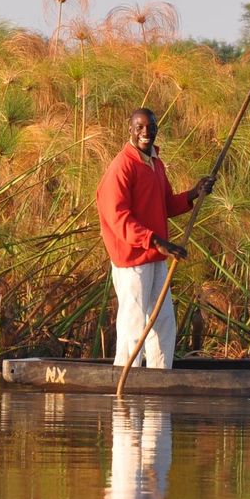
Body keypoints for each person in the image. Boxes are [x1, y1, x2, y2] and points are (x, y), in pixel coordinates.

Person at [95, 107, 212, 369]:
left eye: (150, 127)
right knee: (133, 324)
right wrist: (157, 241)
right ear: (130, 130)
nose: (145, 132)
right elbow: (117, 218)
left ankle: (159, 379)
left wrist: (194, 193)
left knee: (163, 322)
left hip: (154, 256)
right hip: (132, 261)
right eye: (140, 127)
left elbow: (165, 205)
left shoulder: (155, 163)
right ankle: (126, 376)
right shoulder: (122, 167)